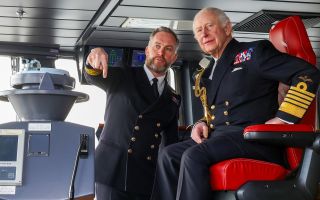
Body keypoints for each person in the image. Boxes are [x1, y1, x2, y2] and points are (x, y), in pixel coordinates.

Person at [150, 7, 320, 200]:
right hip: (221, 138)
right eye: (198, 31)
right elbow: (219, 109)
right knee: (168, 155)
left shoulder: (253, 53)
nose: (203, 34)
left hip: (254, 140)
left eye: (209, 26)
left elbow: (308, 74)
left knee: (193, 156)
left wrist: (284, 118)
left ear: (227, 28)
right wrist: (201, 123)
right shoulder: (208, 71)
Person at [84, 26, 181, 200]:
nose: (161, 52)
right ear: (147, 50)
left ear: (174, 57)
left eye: (168, 49)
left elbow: (170, 144)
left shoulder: (173, 98)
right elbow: (94, 75)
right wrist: (93, 57)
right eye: (157, 46)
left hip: (146, 178)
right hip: (112, 171)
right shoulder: (123, 75)